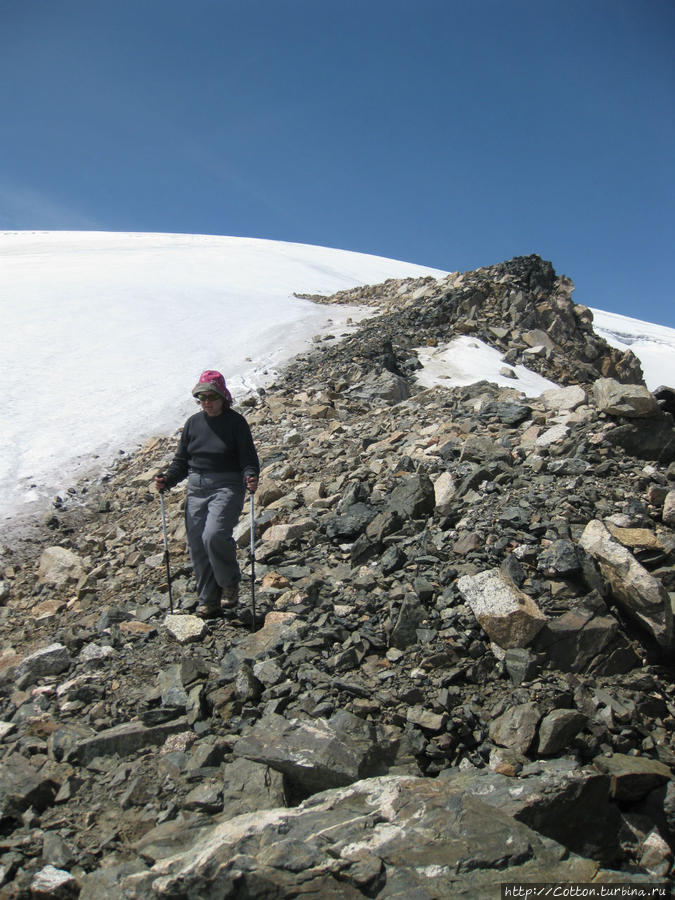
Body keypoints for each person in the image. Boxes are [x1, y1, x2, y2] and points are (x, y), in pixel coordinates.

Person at [155, 370, 259, 618]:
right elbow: (181, 460)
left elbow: (248, 458)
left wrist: (251, 475)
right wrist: (168, 479)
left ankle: (229, 583)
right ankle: (208, 600)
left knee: (213, 535)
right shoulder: (193, 423)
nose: (206, 402)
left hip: (228, 485)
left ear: (222, 396)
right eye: (201, 398)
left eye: (210, 396)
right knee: (196, 543)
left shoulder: (236, 423)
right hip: (196, 486)